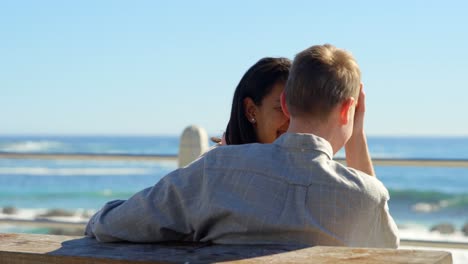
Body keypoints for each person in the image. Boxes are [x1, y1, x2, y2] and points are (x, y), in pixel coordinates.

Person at [85, 44, 399, 248]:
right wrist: (356, 132)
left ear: (286, 103)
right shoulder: (366, 199)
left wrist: (100, 217)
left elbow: (113, 225)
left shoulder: (215, 172)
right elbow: (387, 255)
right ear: (349, 110)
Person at [221, 57, 291, 145]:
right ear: (251, 111)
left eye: (302, 110)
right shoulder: (216, 158)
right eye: (282, 108)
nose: (294, 119)